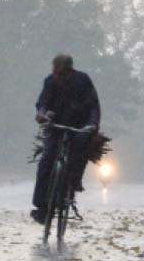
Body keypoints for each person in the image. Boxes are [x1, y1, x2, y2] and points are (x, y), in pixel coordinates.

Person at [31, 54, 101, 225]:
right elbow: (42, 102)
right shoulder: (50, 81)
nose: (59, 77)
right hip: (55, 126)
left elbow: (93, 106)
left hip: (79, 126)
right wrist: (41, 114)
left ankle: (73, 183)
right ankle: (41, 206)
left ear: (71, 71)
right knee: (47, 159)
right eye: (56, 73)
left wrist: (92, 125)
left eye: (62, 74)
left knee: (79, 152)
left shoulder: (83, 80)